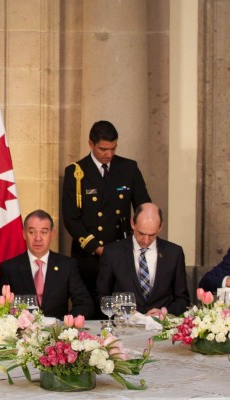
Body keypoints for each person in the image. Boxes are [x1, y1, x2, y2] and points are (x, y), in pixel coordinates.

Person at [61, 120, 150, 315]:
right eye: (103, 149)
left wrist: (141, 237)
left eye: (113, 148)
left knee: (123, 311)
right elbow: (71, 218)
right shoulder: (76, 172)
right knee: (91, 310)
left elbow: (144, 207)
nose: (108, 154)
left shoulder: (128, 168)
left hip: (121, 253)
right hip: (90, 256)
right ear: (90, 144)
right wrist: (96, 247)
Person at [0, 210, 92, 318]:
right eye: (32, 232)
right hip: (22, 332)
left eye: (44, 232)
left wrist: (65, 323)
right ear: (24, 234)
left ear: (52, 234)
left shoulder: (67, 265)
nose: (38, 238)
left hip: (57, 332)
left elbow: (84, 303)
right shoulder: (9, 268)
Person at [97, 203, 190, 316]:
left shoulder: (174, 253)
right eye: (141, 233)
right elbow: (101, 296)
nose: (146, 240)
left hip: (161, 328)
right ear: (132, 223)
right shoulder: (113, 253)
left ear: (160, 227)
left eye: (152, 235)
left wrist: (164, 313)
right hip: (125, 328)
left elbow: (182, 300)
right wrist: (125, 312)